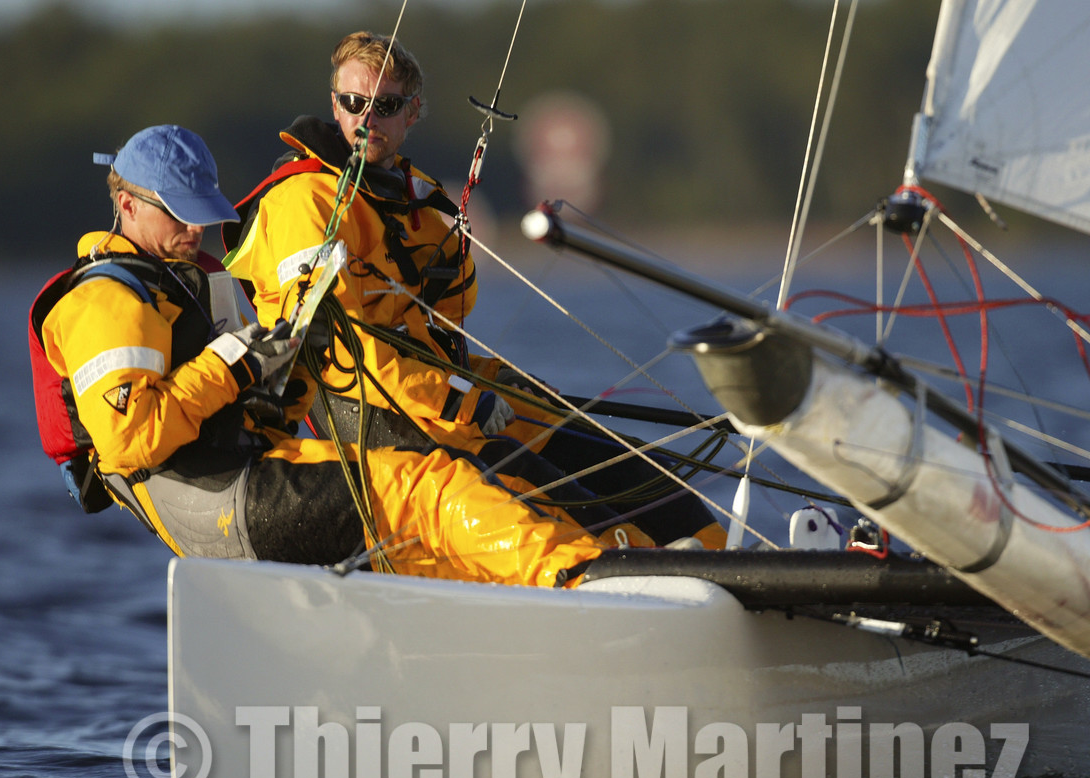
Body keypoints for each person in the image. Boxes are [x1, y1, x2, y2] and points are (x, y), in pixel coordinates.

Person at [29, 124, 607, 587]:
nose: (194, 228)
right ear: (127, 206)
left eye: (201, 210)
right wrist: (238, 362)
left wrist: (288, 364)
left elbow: (246, 405)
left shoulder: (186, 283)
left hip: (251, 469)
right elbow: (133, 441)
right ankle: (583, 580)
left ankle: (572, 583)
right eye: (177, 212)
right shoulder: (103, 300)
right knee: (427, 488)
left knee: (426, 543)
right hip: (215, 500)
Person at [222, 31, 726, 549]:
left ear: (412, 112)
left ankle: (719, 553)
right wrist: (463, 400)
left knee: (627, 468)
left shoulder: (422, 202)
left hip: (444, 397)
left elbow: (449, 321)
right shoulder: (304, 202)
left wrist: (491, 383)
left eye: (386, 105)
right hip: (369, 412)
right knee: (558, 500)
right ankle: (645, 569)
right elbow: (345, 354)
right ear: (334, 104)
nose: (366, 119)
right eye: (353, 103)